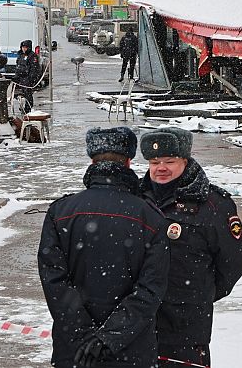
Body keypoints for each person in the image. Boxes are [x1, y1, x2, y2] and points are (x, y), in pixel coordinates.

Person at [39, 127, 170, 368]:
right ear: (128, 162)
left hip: (74, 351)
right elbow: (150, 289)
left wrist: (84, 335)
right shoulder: (150, 217)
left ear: (92, 162)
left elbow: (54, 282)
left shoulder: (61, 212)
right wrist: (109, 338)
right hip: (131, 351)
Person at [139, 127, 242, 367]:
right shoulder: (136, 199)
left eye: (169, 161)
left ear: (185, 160)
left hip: (186, 326)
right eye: (155, 162)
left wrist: (200, 293)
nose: (161, 168)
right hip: (138, 321)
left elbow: (234, 259)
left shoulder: (213, 205)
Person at [13, 39, 39, 113]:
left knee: (28, 94)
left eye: (25, 47)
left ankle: (28, 108)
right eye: (23, 47)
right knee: (18, 93)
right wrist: (16, 76)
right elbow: (18, 66)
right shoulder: (21, 55)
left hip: (27, 78)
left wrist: (31, 78)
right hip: (20, 78)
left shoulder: (32, 56)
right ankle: (22, 107)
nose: (24, 49)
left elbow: (34, 68)